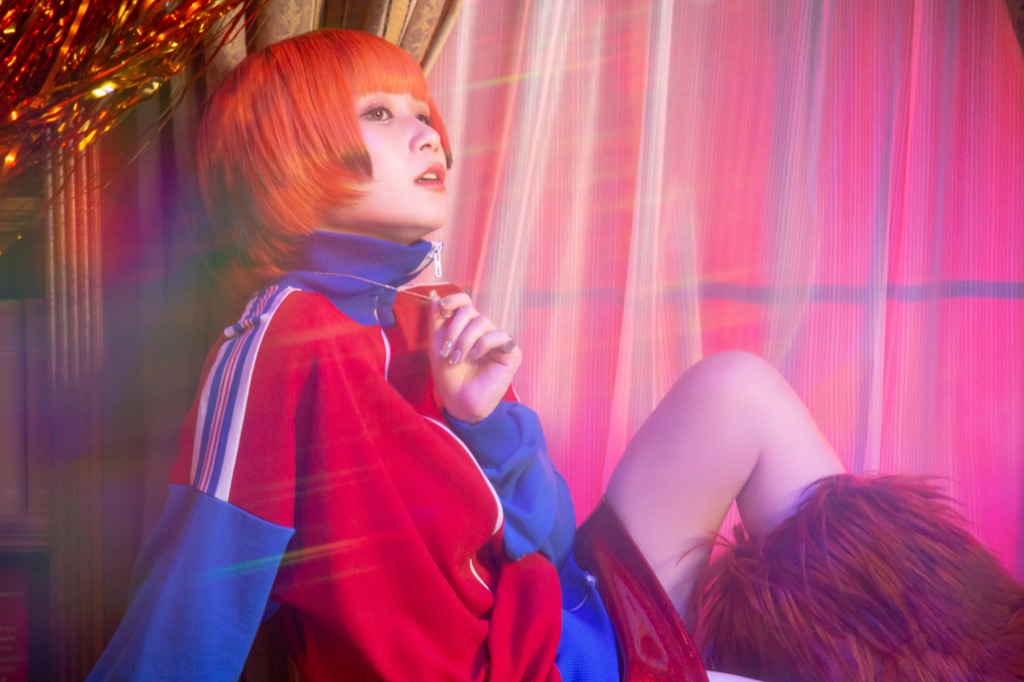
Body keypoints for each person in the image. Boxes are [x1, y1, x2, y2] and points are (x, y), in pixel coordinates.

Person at [88, 28, 1024, 681]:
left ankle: (965, 652)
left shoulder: (425, 319)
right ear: (289, 156)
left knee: (737, 389)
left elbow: (546, 542)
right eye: (379, 113)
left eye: (422, 111)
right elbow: (197, 588)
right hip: (544, 667)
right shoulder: (284, 336)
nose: (426, 132)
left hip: (573, 625)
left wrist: (486, 418)